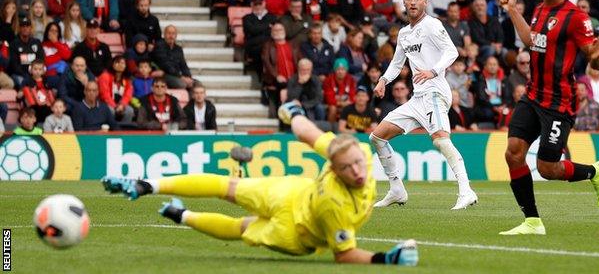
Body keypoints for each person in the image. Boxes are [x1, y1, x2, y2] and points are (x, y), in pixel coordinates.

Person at [102, 104, 418, 265]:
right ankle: (147, 184)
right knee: (227, 188)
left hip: (294, 232)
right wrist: (385, 259)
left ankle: (181, 216)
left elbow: (343, 255)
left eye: (358, 165)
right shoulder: (335, 192)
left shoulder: (352, 162)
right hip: (295, 201)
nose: (358, 171)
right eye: (348, 168)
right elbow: (344, 255)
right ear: (334, 170)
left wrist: (291, 112)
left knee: (242, 227)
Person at [498, 0, 599, 235]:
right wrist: (513, 10)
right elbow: (530, 41)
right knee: (513, 153)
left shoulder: (576, 17)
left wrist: (598, 60)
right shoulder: (538, 10)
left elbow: (593, 57)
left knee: (547, 168)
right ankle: (532, 222)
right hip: (533, 94)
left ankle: (595, 172)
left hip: (559, 103)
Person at [370, 0, 478, 209]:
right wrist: (383, 80)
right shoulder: (404, 33)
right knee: (377, 137)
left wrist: (433, 71)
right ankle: (397, 189)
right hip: (417, 98)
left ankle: (466, 191)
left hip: (435, 91)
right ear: (404, 2)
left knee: (440, 140)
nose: (412, 3)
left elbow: (451, 51)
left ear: (425, 2)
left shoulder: (432, 25)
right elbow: (397, 63)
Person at [151, 25, 193, 89]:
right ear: (164, 34)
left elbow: (183, 65)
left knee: (196, 84)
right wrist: (182, 77)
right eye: (169, 33)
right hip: (164, 74)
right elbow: (166, 66)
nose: (171, 36)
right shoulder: (159, 46)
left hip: (176, 75)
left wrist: (189, 77)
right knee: (182, 84)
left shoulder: (178, 49)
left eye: (173, 33)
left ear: (176, 36)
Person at [97, 55, 134, 125]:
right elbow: (104, 95)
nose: (120, 65)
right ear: (113, 64)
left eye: (123, 63)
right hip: (105, 103)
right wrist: (115, 106)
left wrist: (122, 105)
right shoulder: (105, 76)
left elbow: (128, 95)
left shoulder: (127, 79)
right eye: (117, 62)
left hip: (120, 105)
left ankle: (124, 130)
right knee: (111, 111)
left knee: (130, 111)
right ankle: (112, 129)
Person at [9, 16, 44, 87]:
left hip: (35, 73)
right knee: (24, 82)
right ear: (19, 28)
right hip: (19, 74)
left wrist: (34, 74)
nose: (25, 28)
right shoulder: (14, 44)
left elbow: (41, 60)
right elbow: (14, 65)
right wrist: (28, 75)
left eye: (27, 26)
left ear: (31, 28)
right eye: (23, 26)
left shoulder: (36, 42)